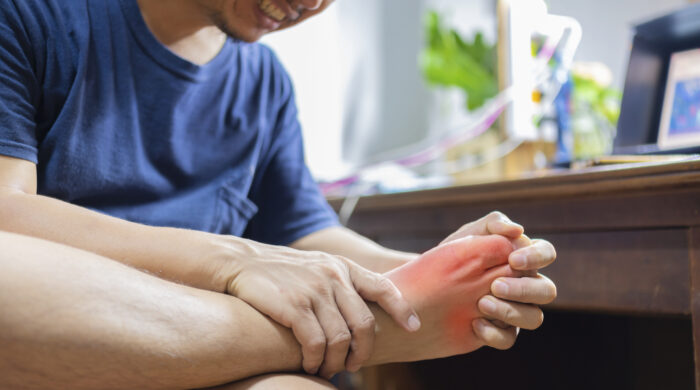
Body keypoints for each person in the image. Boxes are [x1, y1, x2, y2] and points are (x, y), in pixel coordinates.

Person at [0, 0, 557, 388]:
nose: (309, 2)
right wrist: (230, 262)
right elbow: (8, 211)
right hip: (65, 336)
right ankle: (373, 338)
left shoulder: (263, 80)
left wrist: (424, 273)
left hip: (211, 360)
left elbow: (307, 233)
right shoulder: (33, 15)